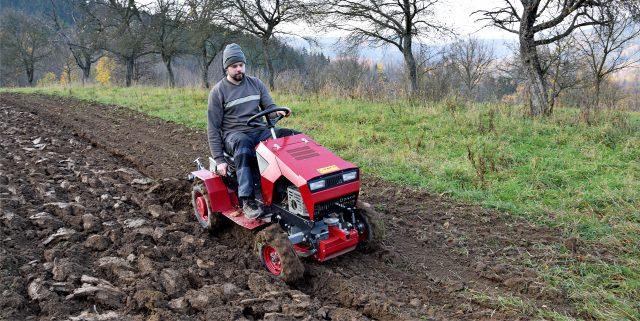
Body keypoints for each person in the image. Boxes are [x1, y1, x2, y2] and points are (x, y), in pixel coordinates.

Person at [207, 43, 299, 219]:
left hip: (258, 130)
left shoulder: (256, 83)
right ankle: (247, 200)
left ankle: (298, 183)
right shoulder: (218, 92)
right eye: (234, 66)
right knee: (243, 145)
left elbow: (270, 108)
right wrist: (219, 159)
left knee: (293, 136)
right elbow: (213, 128)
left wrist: (278, 112)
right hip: (234, 135)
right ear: (227, 67)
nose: (239, 69)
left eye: (241, 65)